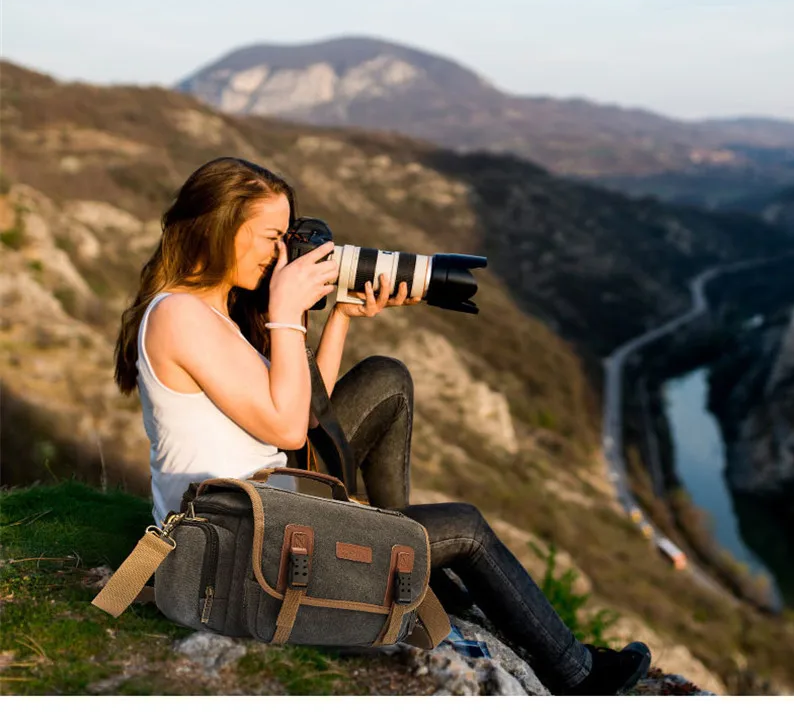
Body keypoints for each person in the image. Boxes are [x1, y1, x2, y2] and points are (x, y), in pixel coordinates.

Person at [113, 156, 651, 696]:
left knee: (386, 380)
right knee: (465, 527)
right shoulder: (179, 315)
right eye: (271, 238)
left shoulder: (216, 313)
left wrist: (339, 316)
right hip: (237, 538)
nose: (281, 255)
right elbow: (288, 429)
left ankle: (404, 550)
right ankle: (578, 675)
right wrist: (284, 312)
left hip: (272, 500)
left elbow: (305, 410)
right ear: (217, 227)